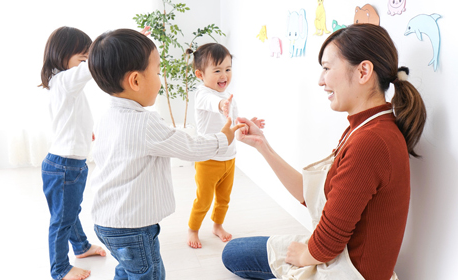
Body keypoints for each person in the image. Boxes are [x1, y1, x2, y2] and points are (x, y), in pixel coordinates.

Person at [222, 24, 426, 280]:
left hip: (348, 270)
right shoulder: (367, 127)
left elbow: (328, 245)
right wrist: (262, 144)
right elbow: (312, 195)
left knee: (234, 254)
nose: (321, 80)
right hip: (339, 255)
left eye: (327, 68)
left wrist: (303, 256)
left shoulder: (371, 142)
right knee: (234, 252)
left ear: (363, 71)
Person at [87, 29, 244, 279]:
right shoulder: (145, 124)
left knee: (128, 268)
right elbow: (189, 147)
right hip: (133, 226)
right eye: (158, 72)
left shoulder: (107, 116)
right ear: (136, 81)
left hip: (106, 221)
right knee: (149, 273)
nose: (161, 79)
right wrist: (223, 138)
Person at [40, 26, 106, 280]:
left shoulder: (61, 83)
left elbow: (68, 118)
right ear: (62, 52)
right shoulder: (66, 81)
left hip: (65, 163)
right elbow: (89, 69)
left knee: (69, 212)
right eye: (84, 52)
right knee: (62, 219)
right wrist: (115, 42)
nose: (88, 57)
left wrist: (83, 131)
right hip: (65, 165)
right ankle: (59, 269)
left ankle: (81, 247)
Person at [185, 43, 265, 249]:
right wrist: (221, 105)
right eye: (218, 70)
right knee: (203, 199)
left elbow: (234, 129)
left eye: (228, 69)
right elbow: (213, 103)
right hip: (208, 160)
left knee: (224, 198)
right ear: (200, 74)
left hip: (229, 158)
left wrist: (247, 126)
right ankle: (193, 229)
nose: (224, 75)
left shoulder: (230, 98)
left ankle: (217, 225)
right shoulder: (203, 94)